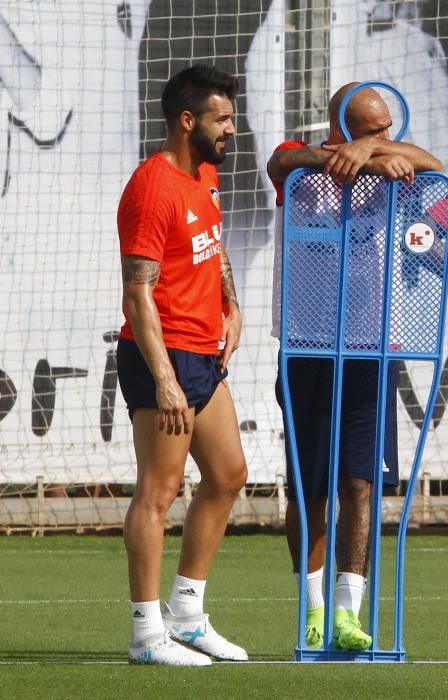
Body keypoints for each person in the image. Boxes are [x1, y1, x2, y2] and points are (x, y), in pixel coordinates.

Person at [266, 82, 442, 651]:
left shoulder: (397, 166)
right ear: (340, 126)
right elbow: (283, 160)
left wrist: (374, 151)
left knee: (361, 486)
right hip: (306, 345)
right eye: (371, 130)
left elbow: (435, 165)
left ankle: (348, 611)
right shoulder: (302, 169)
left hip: (372, 349)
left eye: (389, 128)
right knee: (308, 489)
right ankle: (313, 606)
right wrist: (340, 155)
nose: (387, 139)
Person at [117, 64, 249, 666]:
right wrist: (166, 379)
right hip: (161, 358)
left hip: (203, 354)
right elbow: (138, 292)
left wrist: (232, 304)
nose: (232, 131)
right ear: (187, 121)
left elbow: (212, 244)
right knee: (159, 492)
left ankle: (188, 617)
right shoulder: (152, 186)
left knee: (227, 476)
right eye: (223, 120)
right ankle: (148, 637)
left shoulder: (203, 174)